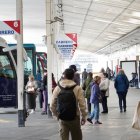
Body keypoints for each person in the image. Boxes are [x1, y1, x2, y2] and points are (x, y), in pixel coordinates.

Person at [50, 68, 87, 140]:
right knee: (77, 137)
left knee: (64, 138)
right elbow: (82, 104)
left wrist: (56, 115)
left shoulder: (58, 88)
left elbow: (52, 105)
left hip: (62, 117)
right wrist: (84, 116)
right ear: (73, 76)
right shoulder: (77, 88)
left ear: (64, 76)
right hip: (75, 117)